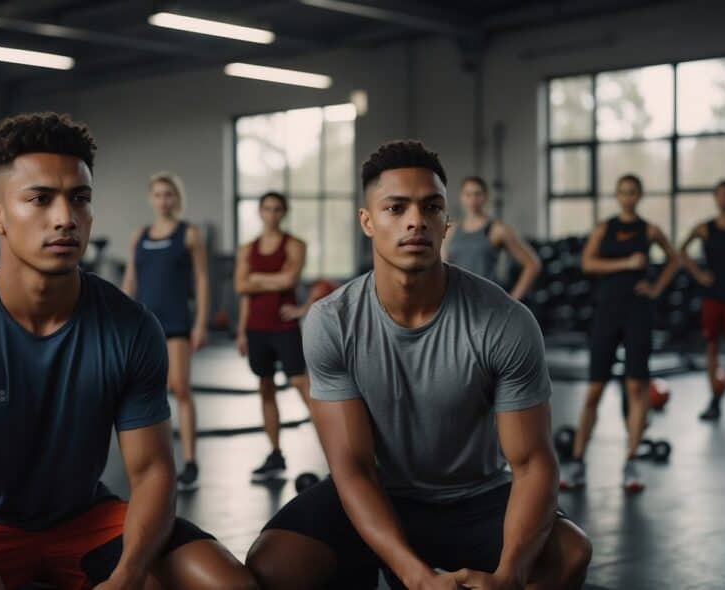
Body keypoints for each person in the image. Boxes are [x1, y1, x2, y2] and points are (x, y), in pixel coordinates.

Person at [0, 112, 256, 590]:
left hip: (86, 519)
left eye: (79, 199)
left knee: (227, 584)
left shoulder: (130, 327)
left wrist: (127, 576)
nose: (65, 218)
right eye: (40, 199)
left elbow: (151, 471)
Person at [245, 140, 591, 590]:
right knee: (275, 566)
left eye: (431, 207)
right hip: (379, 490)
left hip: (476, 496)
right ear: (367, 221)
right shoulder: (332, 321)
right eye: (396, 207)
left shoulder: (504, 321)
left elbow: (532, 465)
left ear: (446, 223)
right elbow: (352, 465)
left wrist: (510, 575)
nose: (416, 221)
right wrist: (416, 575)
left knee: (569, 554)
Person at [560, 174, 680, 493]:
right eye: (623, 192)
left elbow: (674, 259)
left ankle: (631, 462)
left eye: (633, 192)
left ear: (639, 195)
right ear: (617, 195)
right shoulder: (605, 228)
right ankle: (577, 462)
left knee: (637, 387)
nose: (628, 197)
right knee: (594, 390)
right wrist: (627, 262)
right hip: (607, 313)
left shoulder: (649, 229)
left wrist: (655, 287)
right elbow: (588, 263)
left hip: (639, 312)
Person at [122, 171, 209, 492]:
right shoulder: (139, 235)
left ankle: (189, 461)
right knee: (143, 393)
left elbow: (201, 279)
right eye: (158, 195)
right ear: (151, 199)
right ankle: (153, 465)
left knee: (180, 388)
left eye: (169, 195)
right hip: (144, 324)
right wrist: (120, 317)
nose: (163, 200)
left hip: (175, 323)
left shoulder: (189, 235)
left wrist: (200, 322)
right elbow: (130, 279)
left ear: (177, 198)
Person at [234, 193, 312, 483]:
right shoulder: (247, 249)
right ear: (260, 211)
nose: (272, 214)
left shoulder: (294, 245)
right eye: (267, 208)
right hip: (256, 327)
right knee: (265, 386)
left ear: (284, 212)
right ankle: (275, 452)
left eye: (278, 209)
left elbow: (289, 280)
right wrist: (241, 331)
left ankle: (337, 451)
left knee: (301, 383)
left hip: (284, 326)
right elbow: (241, 287)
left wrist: (257, 280)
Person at [681, 180, 725, 422]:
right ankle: (715, 399)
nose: (723, 198)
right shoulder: (704, 228)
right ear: (715, 198)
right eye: (719, 194)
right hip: (712, 296)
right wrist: (698, 274)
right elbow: (683, 251)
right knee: (712, 349)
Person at [443, 176, 541, 300]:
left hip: (486, 304)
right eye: (468, 194)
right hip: (457, 303)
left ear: (486, 197)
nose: (472, 199)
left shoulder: (497, 229)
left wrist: (513, 301)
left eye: (477, 194)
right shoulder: (451, 231)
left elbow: (532, 264)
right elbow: (442, 269)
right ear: (461, 197)